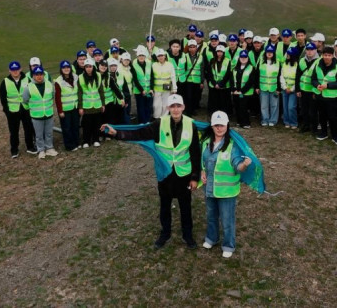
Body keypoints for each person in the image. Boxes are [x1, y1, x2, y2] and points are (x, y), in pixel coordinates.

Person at [102, 94, 201, 250]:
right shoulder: (159, 124)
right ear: (168, 108)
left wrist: (195, 177)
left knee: (185, 207)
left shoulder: (191, 125)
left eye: (178, 106)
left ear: (183, 107)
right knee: (165, 206)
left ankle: (187, 235)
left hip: (184, 174)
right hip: (165, 174)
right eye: (172, 106)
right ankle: (165, 234)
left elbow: (196, 152)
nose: (175, 109)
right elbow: (139, 134)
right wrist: (117, 134)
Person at [200, 111, 252, 258]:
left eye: (221, 125)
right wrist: (201, 172)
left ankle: (228, 245)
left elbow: (237, 166)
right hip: (210, 189)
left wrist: (244, 165)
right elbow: (202, 161)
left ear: (227, 126)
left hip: (227, 192)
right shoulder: (205, 142)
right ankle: (212, 238)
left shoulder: (232, 146)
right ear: (212, 126)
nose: (219, 128)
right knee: (211, 215)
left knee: (227, 219)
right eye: (216, 125)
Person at [0, 61, 37, 158]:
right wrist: (7, 111)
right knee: (14, 131)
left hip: (26, 109)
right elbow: (3, 99)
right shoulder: (5, 82)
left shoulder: (27, 79)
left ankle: (30, 147)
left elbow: (32, 93)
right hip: (13, 111)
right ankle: (14, 150)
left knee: (28, 129)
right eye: (13, 70)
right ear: (9, 71)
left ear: (20, 69)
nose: (15, 72)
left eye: (17, 70)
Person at [312, 46, 337, 145]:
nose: (327, 57)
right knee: (322, 115)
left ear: (332, 56)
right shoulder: (318, 64)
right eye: (325, 55)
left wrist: (328, 85)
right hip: (320, 95)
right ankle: (324, 133)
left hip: (331, 97)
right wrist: (317, 85)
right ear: (322, 55)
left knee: (332, 117)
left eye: (329, 55)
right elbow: (313, 79)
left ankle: (335, 136)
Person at [23, 66, 58, 158]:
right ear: (33, 76)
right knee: (38, 135)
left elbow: (53, 96)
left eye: (41, 74)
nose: (39, 76)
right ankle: (41, 150)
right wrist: (32, 109)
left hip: (48, 113)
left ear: (43, 75)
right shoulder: (28, 87)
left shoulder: (50, 84)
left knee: (49, 133)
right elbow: (25, 100)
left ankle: (49, 148)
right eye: (36, 75)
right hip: (36, 116)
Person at [77, 58, 105, 148]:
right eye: (87, 67)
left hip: (97, 105)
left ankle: (96, 139)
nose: (89, 68)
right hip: (87, 106)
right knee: (87, 125)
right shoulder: (80, 77)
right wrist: (80, 107)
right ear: (84, 68)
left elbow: (101, 91)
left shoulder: (98, 76)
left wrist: (103, 104)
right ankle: (86, 141)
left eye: (90, 66)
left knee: (97, 124)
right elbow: (80, 93)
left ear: (93, 67)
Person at [54, 60, 81, 152]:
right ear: (61, 69)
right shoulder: (58, 81)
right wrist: (60, 111)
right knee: (67, 128)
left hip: (75, 106)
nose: (66, 69)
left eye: (68, 67)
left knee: (75, 126)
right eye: (64, 68)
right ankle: (69, 145)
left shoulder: (76, 77)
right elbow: (57, 98)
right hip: (65, 109)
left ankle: (77, 142)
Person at [296, 42, 320, 134]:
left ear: (315, 50)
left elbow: (319, 77)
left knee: (313, 110)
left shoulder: (319, 61)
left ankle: (314, 127)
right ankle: (306, 125)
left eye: (311, 50)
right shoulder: (302, 60)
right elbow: (298, 75)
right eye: (308, 50)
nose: (309, 52)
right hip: (303, 89)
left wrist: (316, 91)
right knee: (304, 109)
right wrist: (298, 89)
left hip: (313, 90)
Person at [231, 50, 257, 128]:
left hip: (246, 92)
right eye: (241, 57)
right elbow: (232, 80)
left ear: (247, 58)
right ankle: (239, 121)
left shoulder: (251, 68)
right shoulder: (235, 68)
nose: (243, 59)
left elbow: (251, 81)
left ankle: (246, 123)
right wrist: (234, 89)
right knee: (237, 107)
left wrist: (242, 91)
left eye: (245, 57)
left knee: (244, 108)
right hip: (236, 92)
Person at [257, 45, 281, 126]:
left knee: (274, 105)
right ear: (265, 53)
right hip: (263, 87)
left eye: (271, 52)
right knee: (264, 105)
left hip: (274, 87)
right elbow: (256, 74)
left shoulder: (277, 62)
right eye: (268, 52)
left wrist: (279, 88)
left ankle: (273, 120)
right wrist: (257, 87)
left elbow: (279, 76)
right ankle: (265, 120)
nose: (269, 54)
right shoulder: (261, 61)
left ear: (274, 53)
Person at [206, 45, 232, 116]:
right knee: (214, 102)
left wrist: (221, 84)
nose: (219, 53)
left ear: (223, 52)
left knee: (223, 102)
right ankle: (213, 115)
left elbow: (228, 74)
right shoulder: (212, 60)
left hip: (224, 86)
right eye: (218, 52)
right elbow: (210, 73)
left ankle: (224, 115)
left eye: (221, 52)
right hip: (214, 85)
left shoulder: (227, 61)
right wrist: (215, 83)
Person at [151, 48, 178, 118]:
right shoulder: (154, 65)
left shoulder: (170, 65)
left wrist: (174, 88)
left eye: (162, 55)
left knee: (165, 105)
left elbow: (173, 77)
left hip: (167, 88)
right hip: (157, 89)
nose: (161, 57)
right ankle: (156, 118)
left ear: (165, 56)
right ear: (157, 57)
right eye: (159, 56)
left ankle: (164, 118)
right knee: (156, 105)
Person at [131, 47, 154, 123]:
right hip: (139, 91)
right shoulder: (134, 64)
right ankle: (142, 123)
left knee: (148, 107)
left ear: (145, 56)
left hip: (148, 90)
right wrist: (141, 90)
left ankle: (147, 122)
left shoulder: (149, 63)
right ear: (137, 56)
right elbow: (135, 79)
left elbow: (151, 76)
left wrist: (151, 88)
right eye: (139, 55)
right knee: (141, 108)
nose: (141, 57)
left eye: (143, 55)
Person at [182, 39, 204, 116]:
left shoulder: (200, 56)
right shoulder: (185, 56)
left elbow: (202, 70)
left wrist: (202, 82)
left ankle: (193, 109)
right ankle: (188, 111)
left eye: (193, 46)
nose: (192, 48)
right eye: (190, 47)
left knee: (195, 97)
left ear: (196, 47)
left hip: (197, 81)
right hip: (188, 80)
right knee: (188, 97)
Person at [280, 47, 299, 129]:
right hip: (285, 89)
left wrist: (292, 89)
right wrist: (284, 87)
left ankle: (293, 122)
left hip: (293, 90)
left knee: (291, 107)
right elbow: (282, 76)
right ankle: (286, 121)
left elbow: (298, 78)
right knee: (285, 107)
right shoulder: (284, 64)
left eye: (289, 54)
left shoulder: (297, 65)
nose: (287, 55)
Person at [118, 52, 134, 123]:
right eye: (125, 60)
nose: (126, 61)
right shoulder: (119, 69)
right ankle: (127, 128)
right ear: (121, 60)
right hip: (123, 95)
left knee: (128, 111)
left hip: (129, 94)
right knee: (124, 113)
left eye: (128, 60)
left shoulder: (129, 69)